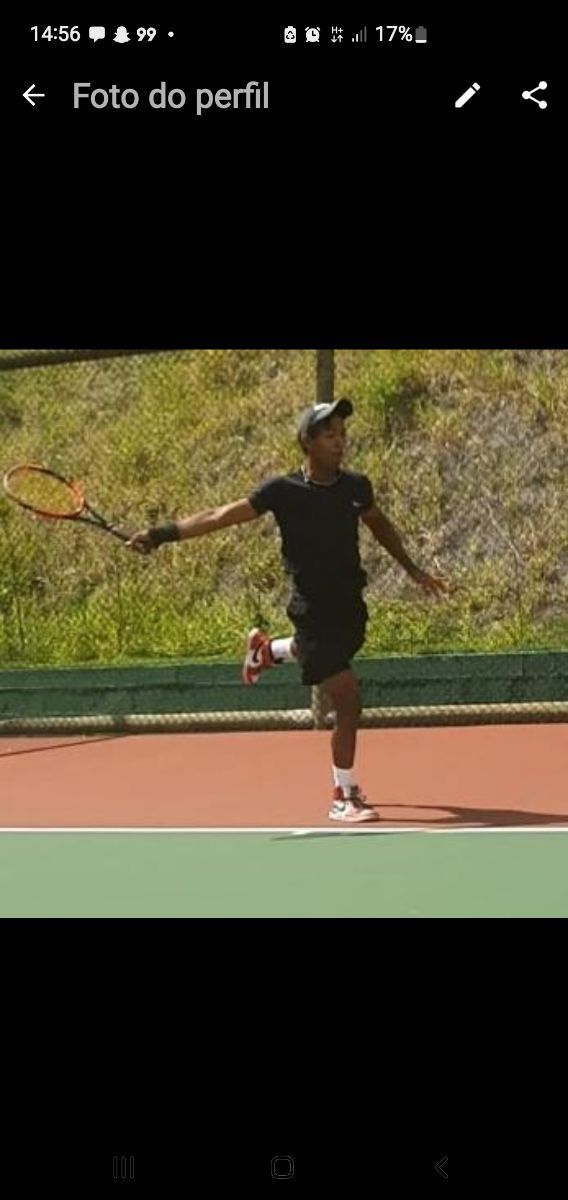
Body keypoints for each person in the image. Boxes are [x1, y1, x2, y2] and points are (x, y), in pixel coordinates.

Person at [126, 397, 449, 822]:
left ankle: (267, 651)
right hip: (311, 609)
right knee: (348, 700)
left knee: (327, 654)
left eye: (343, 434)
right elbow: (220, 515)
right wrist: (160, 534)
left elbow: (379, 523)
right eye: (329, 434)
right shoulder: (282, 491)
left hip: (350, 607)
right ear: (307, 441)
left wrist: (413, 569)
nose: (340, 442)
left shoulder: (356, 487)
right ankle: (343, 794)